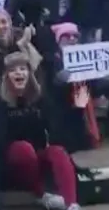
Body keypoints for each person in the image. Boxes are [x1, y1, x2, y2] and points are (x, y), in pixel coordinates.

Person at [0, 51, 84, 210]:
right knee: (23, 149)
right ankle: (41, 194)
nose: (19, 73)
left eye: (23, 69)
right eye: (13, 70)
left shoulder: (40, 100)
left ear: (29, 74)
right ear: (6, 76)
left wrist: (77, 110)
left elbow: (60, 134)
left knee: (58, 151)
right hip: (11, 164)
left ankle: (72, 209)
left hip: (37, 158)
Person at [44, 23, 103, 153]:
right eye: (66, 36)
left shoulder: (86, 58)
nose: (71, 39)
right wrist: (57, 80)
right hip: (61, 115)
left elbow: (92, 89)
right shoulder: (51, 60)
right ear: (59, 40)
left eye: (75, 36)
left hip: (81, 112)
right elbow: (47, 90)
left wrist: (102, 81)